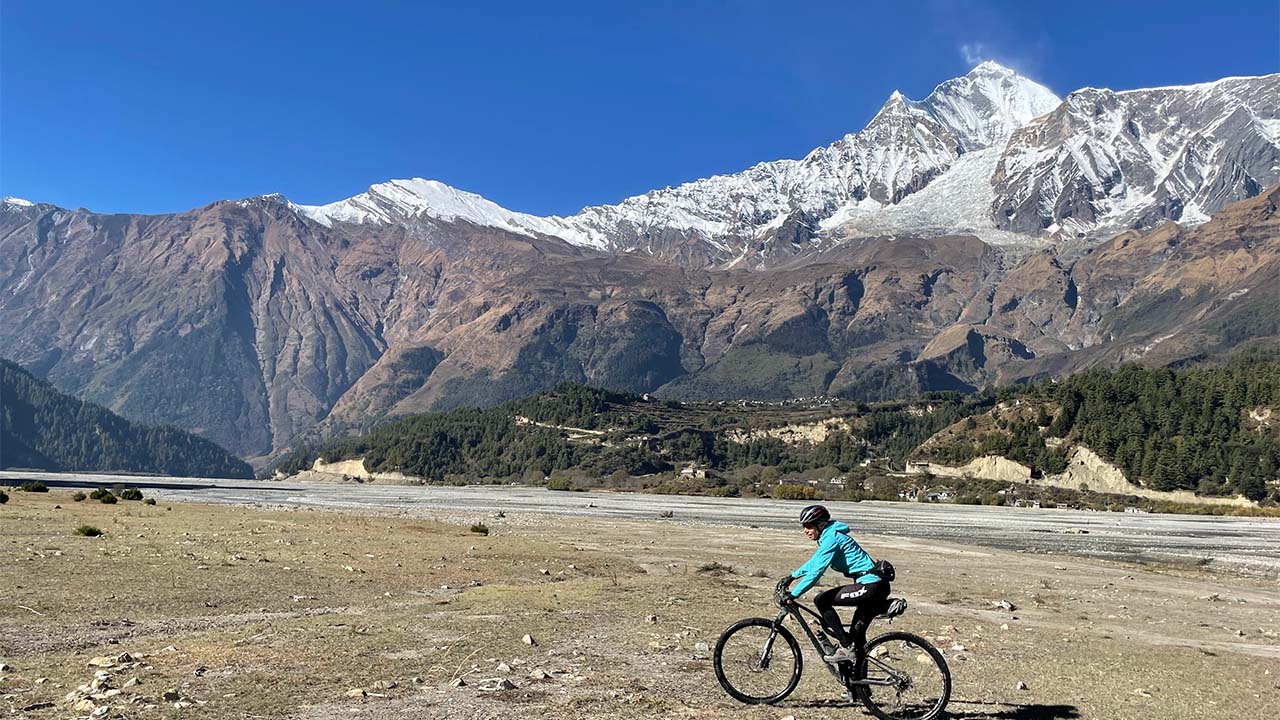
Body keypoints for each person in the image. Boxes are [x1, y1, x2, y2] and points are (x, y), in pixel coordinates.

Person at [780, 504, 889, 664]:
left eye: (809, 525)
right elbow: (815, 562)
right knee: (858, 641)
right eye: (804, 526)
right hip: (874, 585)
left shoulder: (832, 538)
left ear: (821, 524)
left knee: (821, 600)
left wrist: (794, 593)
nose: (805, 530)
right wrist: (792, 576)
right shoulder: (829, 536)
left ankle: (845, 647)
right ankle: (857, 684)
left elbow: (817, 571)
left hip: (870, 586)